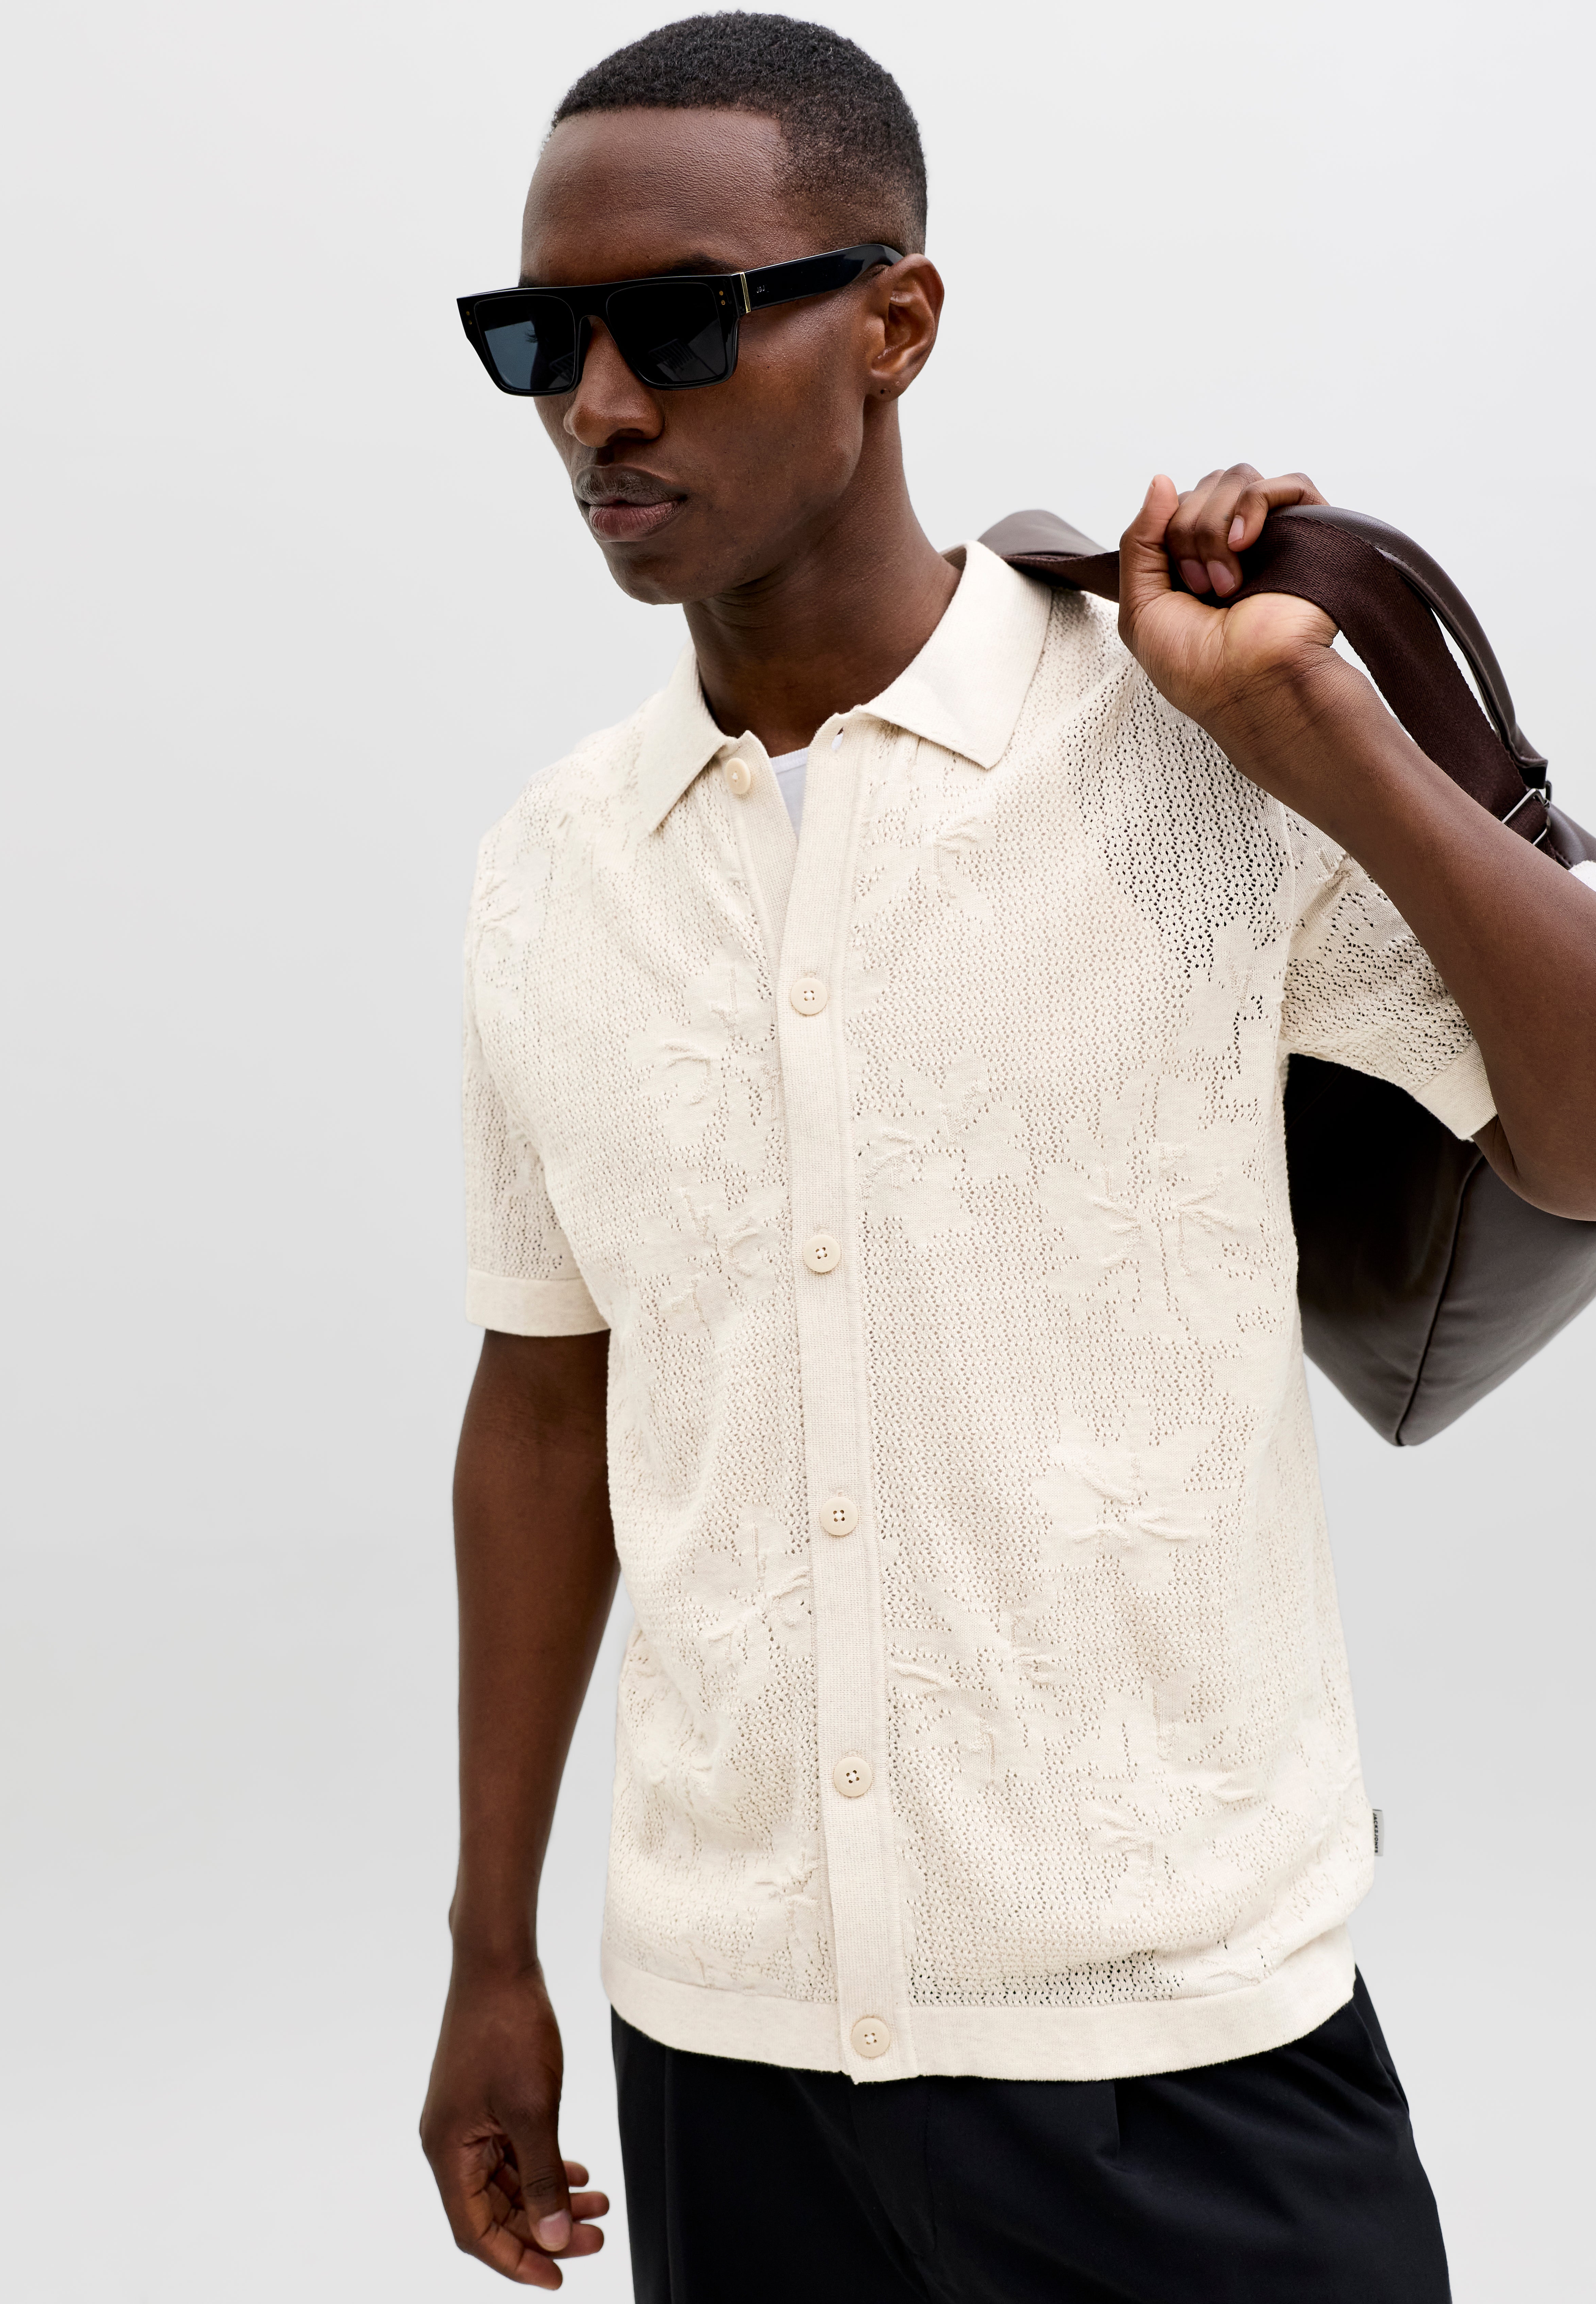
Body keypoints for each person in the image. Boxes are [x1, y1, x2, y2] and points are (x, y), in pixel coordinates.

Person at [420, 14, 1596, 2298]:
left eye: (679, 322)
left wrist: (1325, 733)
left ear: (898, 322)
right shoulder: (551, 873)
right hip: (729, 2056)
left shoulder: (1187, 747)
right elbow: (545, 1407)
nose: (600, 407)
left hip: (1186, 2057)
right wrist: (491, 1950)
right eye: (539, 339)